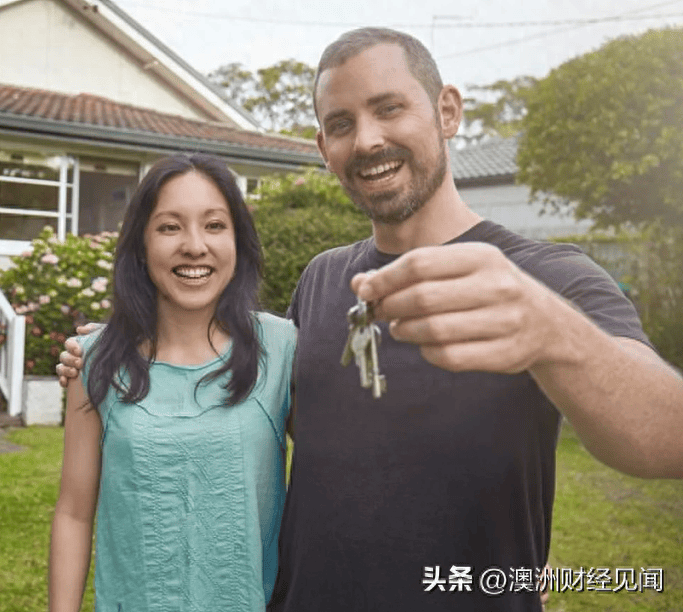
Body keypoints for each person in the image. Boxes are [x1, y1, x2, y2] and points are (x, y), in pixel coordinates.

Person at [58, 28, 683, 612]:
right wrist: (119, 349)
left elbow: (667, 437)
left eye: (389, 108)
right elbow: (281, 410)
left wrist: (555, 333)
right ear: (323, 150)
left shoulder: (548, 277)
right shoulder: (325, 279)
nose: (367, 140)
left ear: (447, 112)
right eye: (341, 124)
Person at [47, 153, 296, 612]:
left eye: (215, 225)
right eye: (169, 227)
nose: (195, 246)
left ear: (238, 240)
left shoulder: (281, 348)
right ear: (141, 246)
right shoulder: (94, 359)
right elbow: (74, 512)